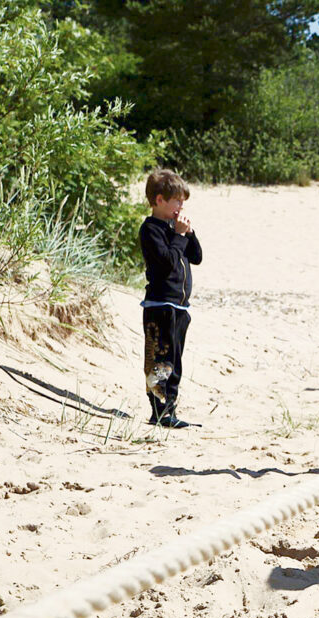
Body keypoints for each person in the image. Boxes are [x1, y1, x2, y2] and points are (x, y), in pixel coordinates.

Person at [139, 169, 202, 428]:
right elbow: (167, 263)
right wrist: (178, 236)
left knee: (175, 361)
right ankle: (160, 411)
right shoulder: (151, 229)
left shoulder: (174, 229)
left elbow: (196, 257)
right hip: (160, 305)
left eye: (183, 201)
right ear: (159, 200)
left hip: (179, 307)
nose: (181, 206)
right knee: (160, 361)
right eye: (177, 201)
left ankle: (170, 410)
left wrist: (188, 233)